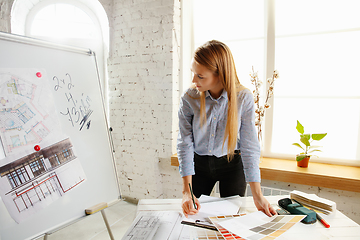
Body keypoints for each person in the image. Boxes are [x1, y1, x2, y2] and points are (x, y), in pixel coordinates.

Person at [177, 40, 276, 218]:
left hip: (232, 165)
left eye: (200, 76)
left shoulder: (243, 97)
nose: (194, 80)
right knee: (192, 216)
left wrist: (258, 195)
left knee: (232, 219)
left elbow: (249, 146)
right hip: (198, 165)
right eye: (194, 73)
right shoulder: (189, 97)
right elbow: (185, 143)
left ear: (220, 74)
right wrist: (186, 191)